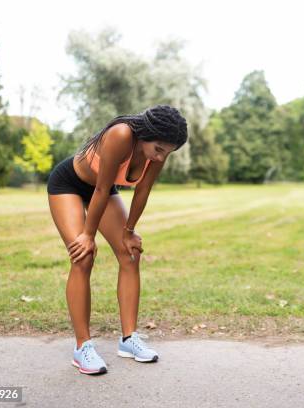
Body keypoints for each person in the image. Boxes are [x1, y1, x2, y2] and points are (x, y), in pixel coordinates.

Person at [46, 105, 188, 375]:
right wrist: (88, 235)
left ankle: (128, 339)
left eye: (167, 153)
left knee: (130, 253)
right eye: (158, 149)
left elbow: (143, 191)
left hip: (102, 191)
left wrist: (129, 231)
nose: (160, 157)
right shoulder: (121, 134)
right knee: (83, 256)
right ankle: (82, 347)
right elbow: (99, 188)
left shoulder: (159, 151)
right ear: (146, 134)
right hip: (69, 185)